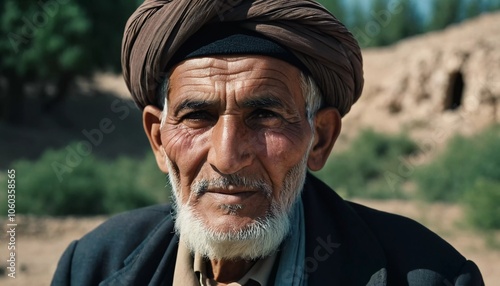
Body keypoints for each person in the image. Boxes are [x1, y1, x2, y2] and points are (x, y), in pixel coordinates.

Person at [51, 0, 484, 285]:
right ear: (159, 140)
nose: (227, 156)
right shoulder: (91, 267)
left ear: (321, 138)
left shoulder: (428, 275)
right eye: (197, 116)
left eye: (265, 116)